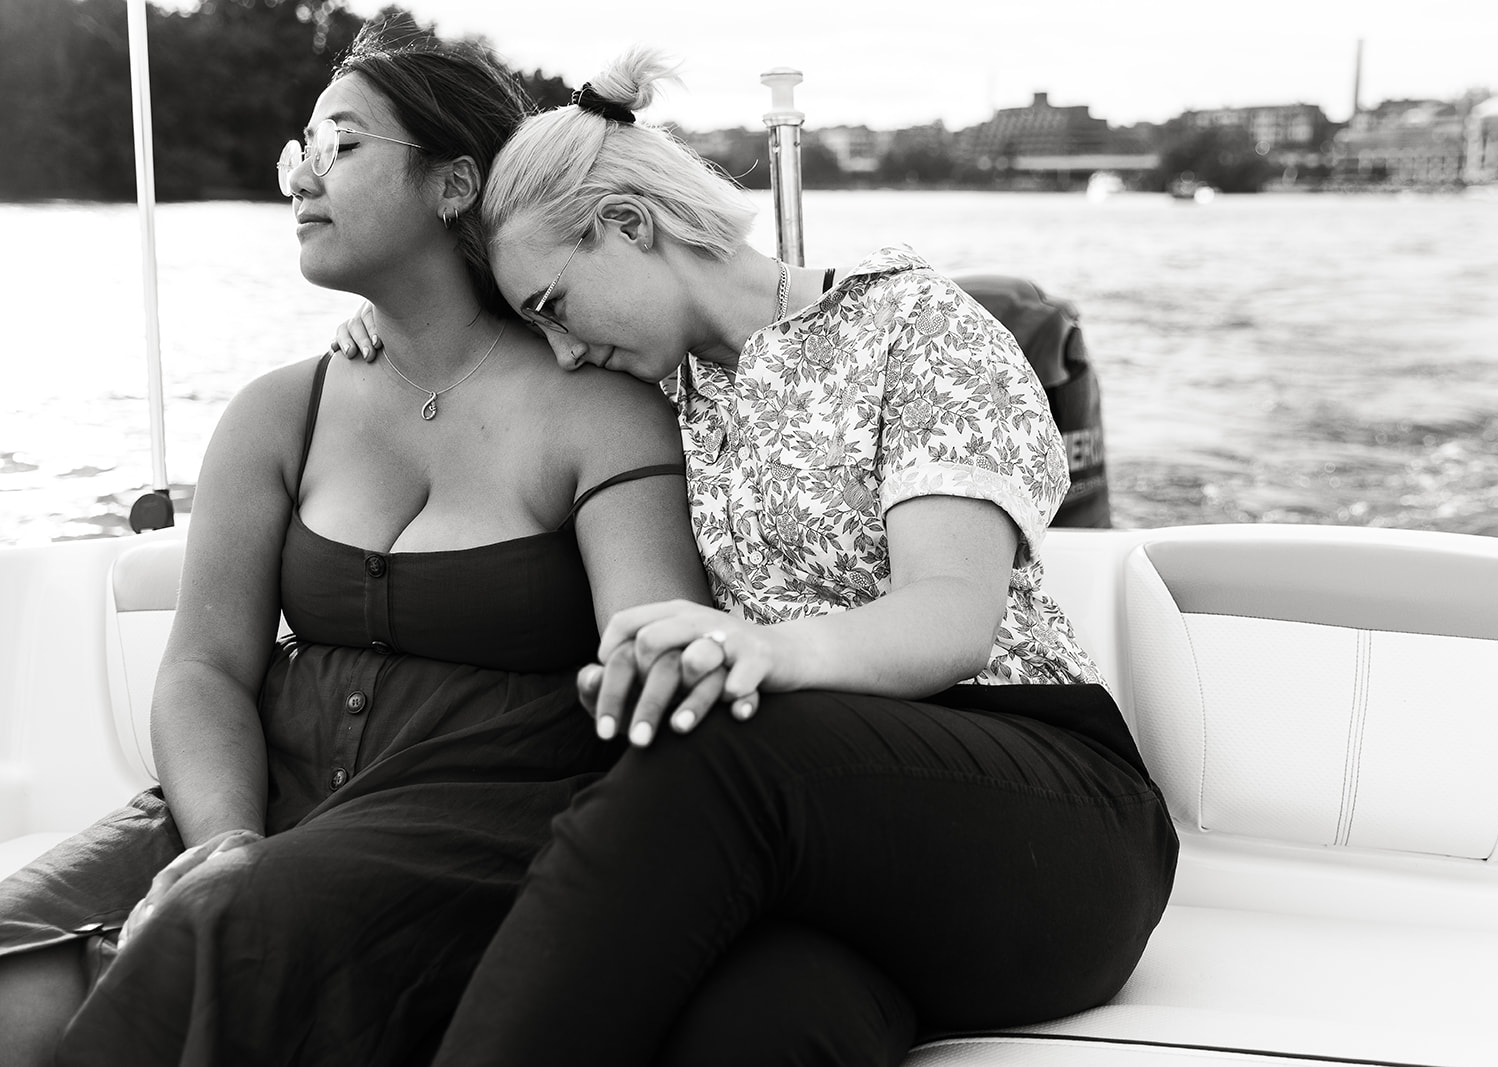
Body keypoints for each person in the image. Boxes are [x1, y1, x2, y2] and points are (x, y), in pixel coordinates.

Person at [346, 46, 1179, 1067]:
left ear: (628, 225)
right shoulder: (656, 403)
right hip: (832, 868)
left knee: (706, 758)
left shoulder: (912, 326)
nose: (558, 352)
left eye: (553, 306)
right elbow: (482, 379)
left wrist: (758, 649)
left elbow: (949, 614)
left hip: (1045, 820)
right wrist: (385, 338)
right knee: (754, 1032)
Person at [0, 28, 709, 1067]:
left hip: (479, 816)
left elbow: (646, 657)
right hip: (256, 795)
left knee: (222, 939)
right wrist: (224, 840)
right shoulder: (283, 408)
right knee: (19, 960)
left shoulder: (599, 413)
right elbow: (203, 665)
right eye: (300, 148)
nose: (302, 176)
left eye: (340, 143)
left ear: (453, 183)